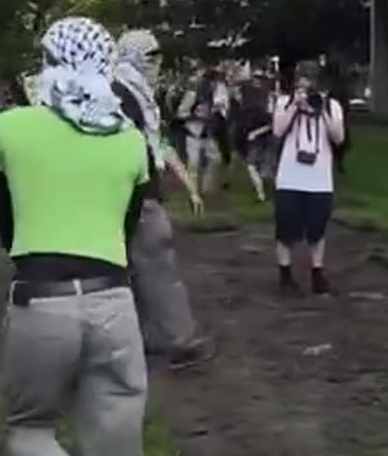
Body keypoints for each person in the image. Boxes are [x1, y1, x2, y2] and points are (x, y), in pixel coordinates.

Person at [0, 17, 150, 456]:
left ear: (47, 59)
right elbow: (126, 228)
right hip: (115, 303)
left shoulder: (8, 127)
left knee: (27, 427)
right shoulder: (132, 140)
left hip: (41, 299)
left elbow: (3, 220)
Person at [111, 28, 215, 370]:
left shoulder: (137, 94)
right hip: (137, 196)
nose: (157, 63)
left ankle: (139, 339)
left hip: (134, 194)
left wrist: (188, 184)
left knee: (135, 270)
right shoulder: (122, 94)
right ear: (135, 56)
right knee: (158, 262)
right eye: (151, 55)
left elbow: (159, 144)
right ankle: (181, 341)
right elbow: (130, 149)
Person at [272, 60, 347, 295]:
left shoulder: (331, 106)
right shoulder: (284, 102)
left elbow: (338, 138)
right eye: (303, 80)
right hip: (289, 178)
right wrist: (296, 104)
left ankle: (318, 273)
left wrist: (321, 109)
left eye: (311, 80)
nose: (307, 85)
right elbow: (278, 130)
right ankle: (285, 276)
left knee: (317, 230)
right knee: (286, 230)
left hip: (319, 180)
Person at [175, 68, 228, 196]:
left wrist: (215, 114)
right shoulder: (193, 95)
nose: (216, 85)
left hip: (208, 133)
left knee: (216, 159)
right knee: (193, 164)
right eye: (214, 82)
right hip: (194, 132)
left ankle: (205, 187)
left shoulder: (213, 97)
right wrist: (196, 116)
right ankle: (194, 191)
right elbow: (180, 113)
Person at [231, 68, 277, 202]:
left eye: (258, 79)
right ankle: (261, 194)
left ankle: (266, 193)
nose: (256, 82)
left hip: (264, 136)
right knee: (253, 166)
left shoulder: (263, 100)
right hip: (255, 135)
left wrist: (255, 133)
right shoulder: (253, 99)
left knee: (264, 168)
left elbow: (271, 124)